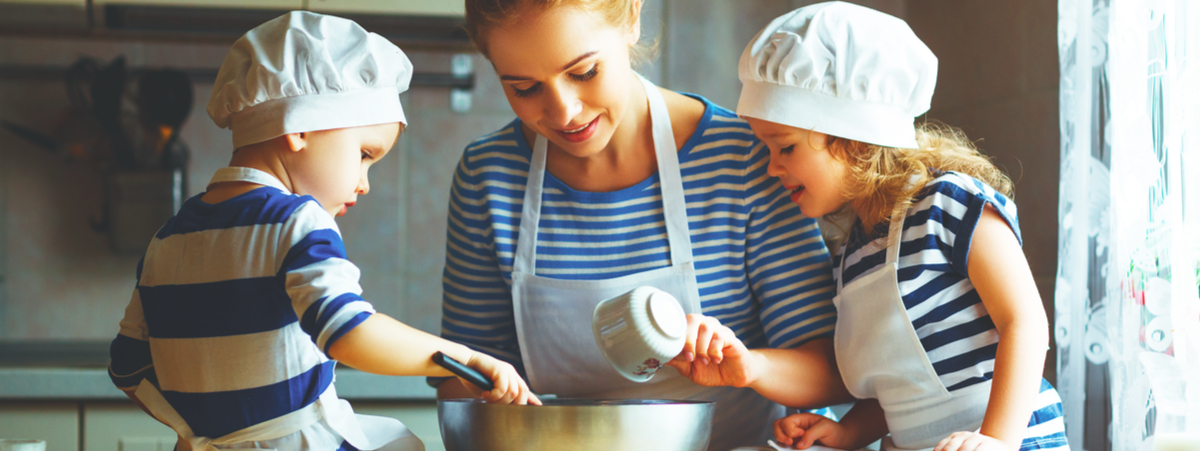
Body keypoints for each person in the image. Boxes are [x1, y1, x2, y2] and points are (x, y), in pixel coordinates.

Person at [106, 11, 538, 451]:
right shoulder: (298, 222)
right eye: (365, 153)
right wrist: (461, 358)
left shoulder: (167, 238)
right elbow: (348, 331)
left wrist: (211, 430)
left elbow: (127, 367)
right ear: (300, 128)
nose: (365, 182)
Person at [433, 0, 852, 448]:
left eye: (584, 73)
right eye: (524, 88)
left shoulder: (746, 159)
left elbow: (833, 369)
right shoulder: (488, 175)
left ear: (632, 18)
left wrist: (750, 366)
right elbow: (463, 377)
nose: (564, 112)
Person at [734, 3, 1070, 451]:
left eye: (786, 148)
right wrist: (848, 431)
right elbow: (905, 384)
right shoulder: (854, 251)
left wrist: (996, 440)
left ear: (852, 137)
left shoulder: (949, 203)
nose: (772, 168)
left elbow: (1024, 321)